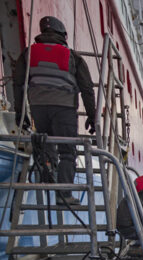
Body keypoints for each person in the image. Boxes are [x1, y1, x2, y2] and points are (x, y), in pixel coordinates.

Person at [12, 16, 97, 205]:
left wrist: (20, 113)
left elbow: (18, 84)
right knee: (67, 150)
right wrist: (92, 116)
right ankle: (63, 194)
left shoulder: (28, 53)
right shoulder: (73, 56)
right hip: (64, 108)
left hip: (38, 107)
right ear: (62, 34)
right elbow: (87, 89)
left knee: (44, 141)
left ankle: (48, 173)